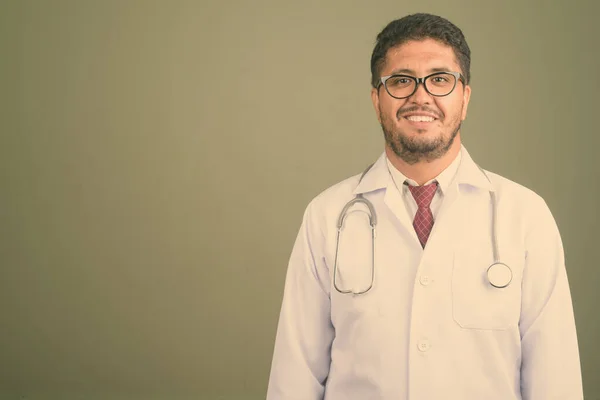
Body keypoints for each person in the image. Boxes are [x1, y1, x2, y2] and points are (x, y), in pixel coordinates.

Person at [266, 13, 583, 400]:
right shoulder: (326, 217)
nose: (421, 96)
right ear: (376, 99)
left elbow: (556, 380)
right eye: (401, 81)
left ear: (464, 98)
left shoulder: (525, 217)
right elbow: (293, 379)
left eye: (439, 79)